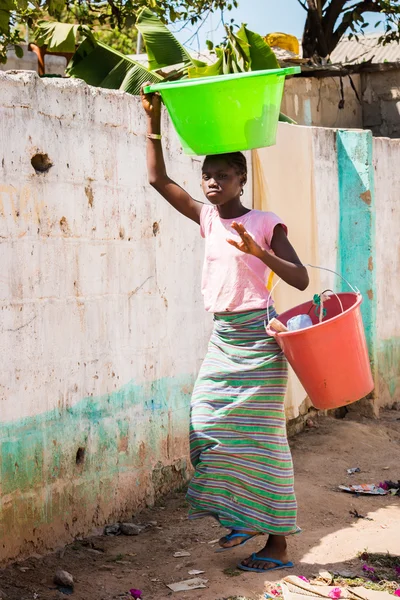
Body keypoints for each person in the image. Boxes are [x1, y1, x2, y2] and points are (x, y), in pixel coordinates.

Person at [141, 85, 309, 573]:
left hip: (259, 338)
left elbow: (299, 279)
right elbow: (157, 180)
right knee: (205, 424)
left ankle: (277, 545)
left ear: (241, 180)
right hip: (224, 338)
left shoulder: (264, 222)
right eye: (207, 176)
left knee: (263, 440)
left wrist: (261, 254)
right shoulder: (206, 218)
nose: (213, 183)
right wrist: (152, 121)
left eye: (223, 176)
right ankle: (239, 513)